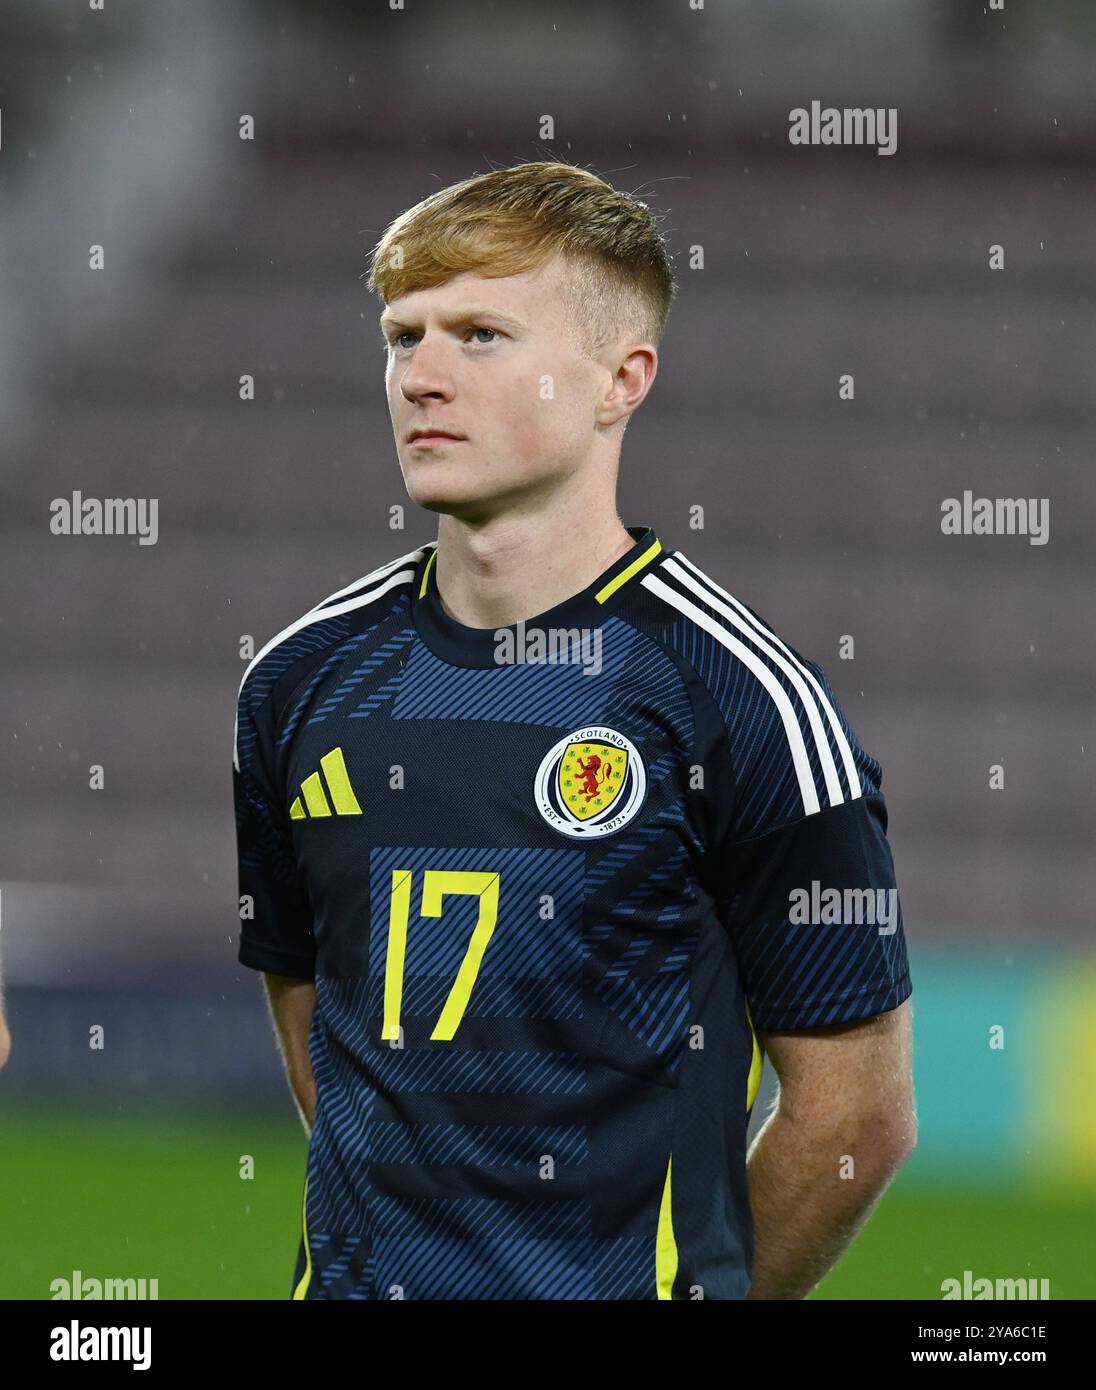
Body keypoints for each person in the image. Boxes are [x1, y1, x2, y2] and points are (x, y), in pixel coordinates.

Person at [233, 159, 915, 1301]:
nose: (423, 377)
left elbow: (855, 1116)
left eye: (482, 335)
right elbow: (321, 1037)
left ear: (619, 380)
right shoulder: (297, 681)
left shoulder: (737, 697)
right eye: (405, 336)